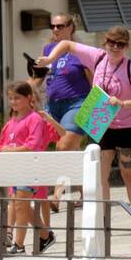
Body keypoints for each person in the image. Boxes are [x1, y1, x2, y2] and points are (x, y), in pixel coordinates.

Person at [35, 27, 131, 227]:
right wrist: (49, 59)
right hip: (100, 121)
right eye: (111, 43)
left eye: (120, 44)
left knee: (130, 174)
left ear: (127, 47)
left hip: (127, 125)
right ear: (104, 43)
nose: (115, 48)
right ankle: (103, 220)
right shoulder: (98, 57)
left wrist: (124, 103)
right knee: (99, 176)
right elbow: (66, 44)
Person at [0, 81, 64, 255]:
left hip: (30, 167)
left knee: (21, 205)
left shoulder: (34, 119)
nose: (13, 102)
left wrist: (9, 151)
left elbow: (32, 145)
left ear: (28, 98)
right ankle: (45, 234)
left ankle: (19, 245)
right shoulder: (10, 122)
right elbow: (1, 144)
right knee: (22, 206)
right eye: (10, 98)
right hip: (14, 168)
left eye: (17, 98)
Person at [40, 13, 90, 154]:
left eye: (60, 26)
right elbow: (37, 78)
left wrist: (98, 114)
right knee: (39, 145)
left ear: (71, 28)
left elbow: (95, 82)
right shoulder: (48, 49)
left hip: (77, 104)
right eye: (52, 26)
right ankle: (78, 173)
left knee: (64, 147)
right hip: (51, 105)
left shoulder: (81, 51)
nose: (55, 29)